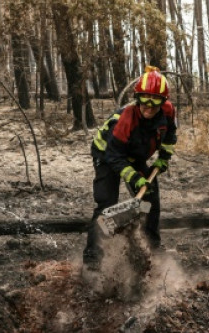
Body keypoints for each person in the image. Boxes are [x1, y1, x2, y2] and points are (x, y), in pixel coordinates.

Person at [83, 66, 178, 268]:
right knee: (106, 203)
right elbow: (114, 155)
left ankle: (152, 245)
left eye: (156, 100)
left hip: (134, 154)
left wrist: (164, 157)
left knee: (150, 198)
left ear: (164, 102)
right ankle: (93, 257)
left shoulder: (168, 112)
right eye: (145, 99)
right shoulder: (126, 119)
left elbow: (170, 135)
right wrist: (134, 178)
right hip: (107, 154)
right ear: (137, 97)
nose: (149, 106)